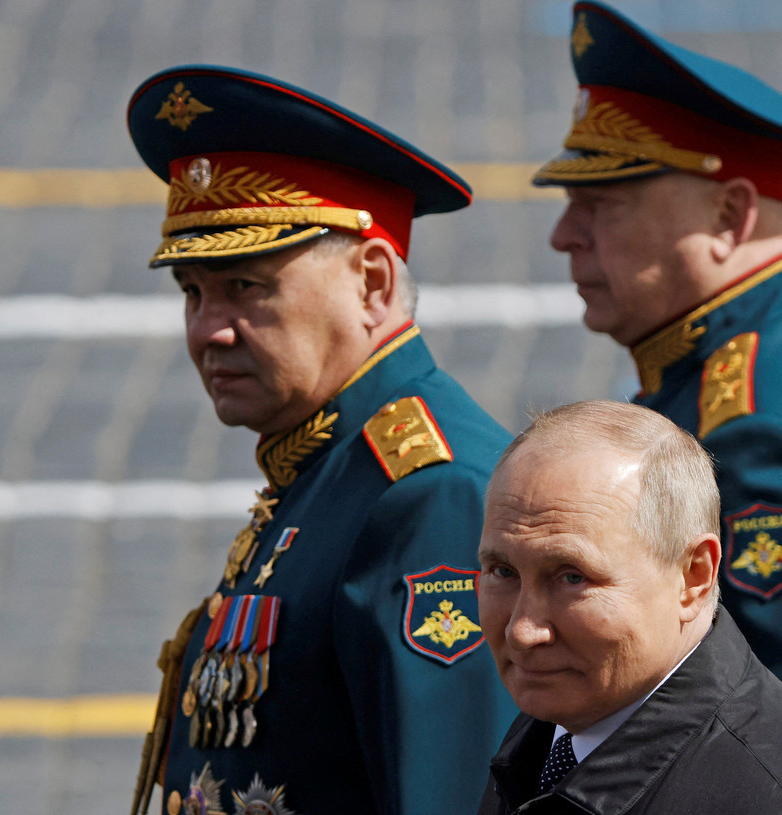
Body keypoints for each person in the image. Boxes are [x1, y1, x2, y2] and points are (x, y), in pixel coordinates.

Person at [533, 3, 782, 810]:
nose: (564, 234)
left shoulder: (759, 432)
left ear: (728, 215)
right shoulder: (734, 383)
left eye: (604, 203)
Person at [125, 64, 517, 815]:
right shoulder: (326, 465)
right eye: (193, 292)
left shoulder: (426, 493)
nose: (210, 328)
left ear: (372, 283)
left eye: (247, 286)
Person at [476, 400, 782, 814]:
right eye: (502, 572)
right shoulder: (558, 727)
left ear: (693, 576)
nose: (523, 631)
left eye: (572, 578)